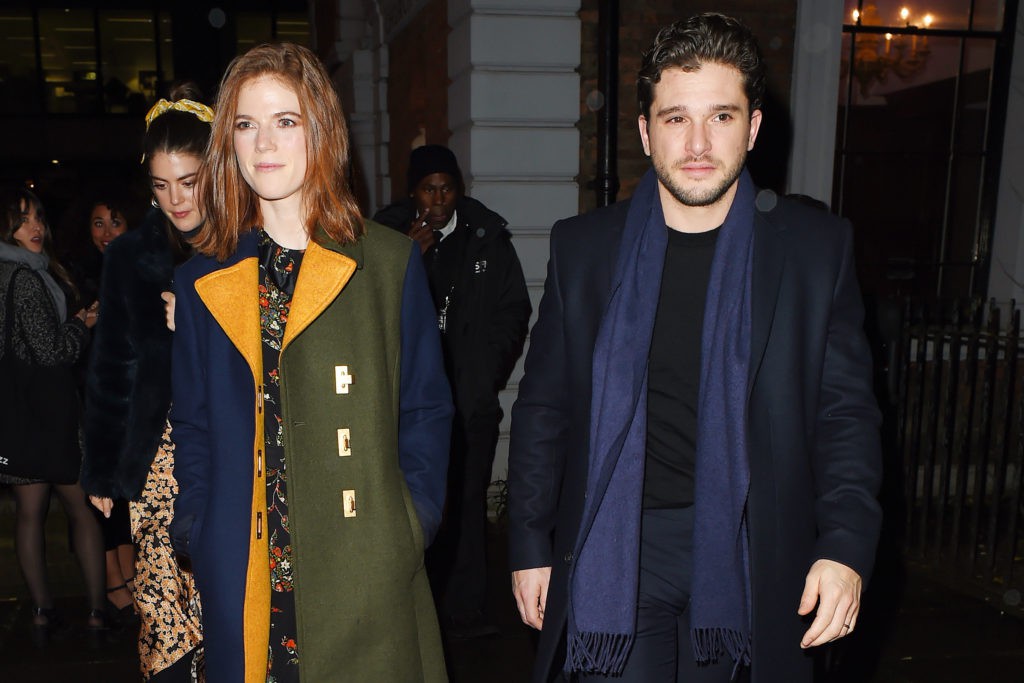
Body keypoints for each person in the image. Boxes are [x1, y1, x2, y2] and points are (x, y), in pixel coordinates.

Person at [508, 13, 883, 683]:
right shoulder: (583, 249)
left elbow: (846, 417)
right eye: (677, 118)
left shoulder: (814, 252)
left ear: (755, 127)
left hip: (746, 547)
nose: (700, 143)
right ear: (647, 130)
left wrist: (847, 547)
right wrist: (529, 540)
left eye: (723, 116)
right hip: (619, 547)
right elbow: (545, 406)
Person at [168, 43, 452, 682]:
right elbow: (193, 423)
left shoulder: (386, 264)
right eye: (245, 124)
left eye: (285, 121)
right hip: (245, 567)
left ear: (319, 131)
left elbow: (426, 408)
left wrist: (412, 523)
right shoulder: (202, 281)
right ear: (228, 143)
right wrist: (197, 528)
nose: (264, 142)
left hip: (363, 566)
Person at [373, 144, 531, 638]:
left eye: (448, 187)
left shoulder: (485, 237)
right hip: (408, 404)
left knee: (466, 500)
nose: (439, 199)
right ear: (413, 193)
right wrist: (408, 259)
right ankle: (419, 607)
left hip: (469, 401)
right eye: (429, 188)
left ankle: (466, 608)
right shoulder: (387, 240)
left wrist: (484, 372)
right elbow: (371, 310)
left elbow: (513, 310)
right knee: (413, 502)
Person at [81, 85, 212, 681]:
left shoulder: (248, 247)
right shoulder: (130, 254)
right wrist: (106, 469)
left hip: (234, 449)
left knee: (229, 606)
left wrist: (199, 323)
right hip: (158, 458)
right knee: (164, 613)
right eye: (161, 186)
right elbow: (113, 367)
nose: (176, 199)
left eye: (187, 181)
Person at [0, 187, 106, 643]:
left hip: (15, 412)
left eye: (39, 216)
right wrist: (82, 325)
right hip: (49, 413)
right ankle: (99, 610)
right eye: (23, 220)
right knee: (80, 509)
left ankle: (43, 611)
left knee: (30, 514)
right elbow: (52, 350)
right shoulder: (23, 277)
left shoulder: (15, 272)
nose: (35, 227)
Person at [60, 187, 137, 621]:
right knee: (99, 489)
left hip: (129, 393)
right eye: (98, 223)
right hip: (89, 397)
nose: (107, 232)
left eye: (116, 222)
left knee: (126, 490)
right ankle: (113, 581)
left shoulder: (140, 268)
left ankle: (128, 574)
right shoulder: (76, 276)